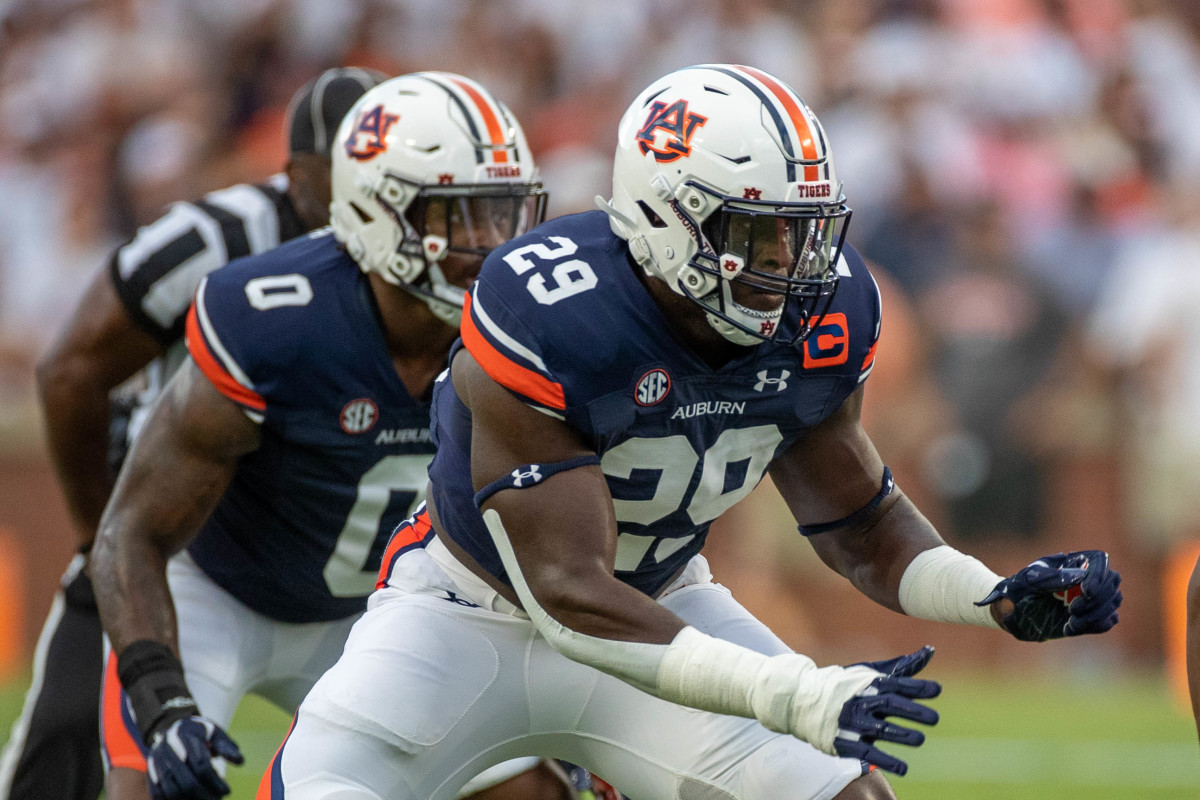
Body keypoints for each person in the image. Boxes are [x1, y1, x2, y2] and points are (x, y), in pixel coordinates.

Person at [264, 64, 1125, 800]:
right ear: (663, 216)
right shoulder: (553, 309)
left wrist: (991, 596)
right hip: (465, 618)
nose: (791, 269)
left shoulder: (825, 313)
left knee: (843, 789)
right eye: (759, 234)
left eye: (802, 233)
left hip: (666, 598)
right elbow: (567, 592)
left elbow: (860, 524)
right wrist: (793, 691)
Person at [89, 72, 566, 800]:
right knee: (150, 788)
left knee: (527, 788)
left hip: (374, 611)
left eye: (503, 213)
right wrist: (162, 702)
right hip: (218, 595)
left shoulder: (523, 327)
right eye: (459, 216)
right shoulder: (275, 318)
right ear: (378, 213)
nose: (488, 244)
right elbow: (131, 532)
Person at [0, 66, 384, 800]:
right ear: (299, 174)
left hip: (342, 563)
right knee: (68, 754)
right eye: (357, 173)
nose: (377, 199)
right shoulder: (215, 240)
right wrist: (98, 533)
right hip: (188, 540)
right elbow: (71, 370)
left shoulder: (435, 255)